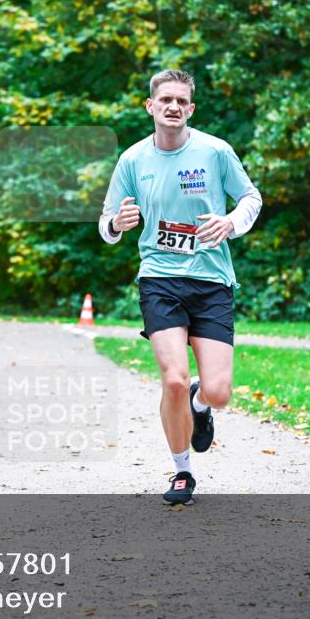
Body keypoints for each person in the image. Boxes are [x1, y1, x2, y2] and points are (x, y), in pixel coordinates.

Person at [99, 69, 262, 505]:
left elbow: (251, 198)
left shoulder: (215, 152)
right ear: (150, 106)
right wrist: (117, 224)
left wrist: (230, 223)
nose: (173, 106)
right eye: (165, 99)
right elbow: (106, 222)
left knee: (219, 392)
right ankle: (182, 471)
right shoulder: (133, 160)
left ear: (191, 108)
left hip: (211, 280)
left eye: (181, 101)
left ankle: (202, 404)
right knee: (173, 379)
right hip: (159, 279)